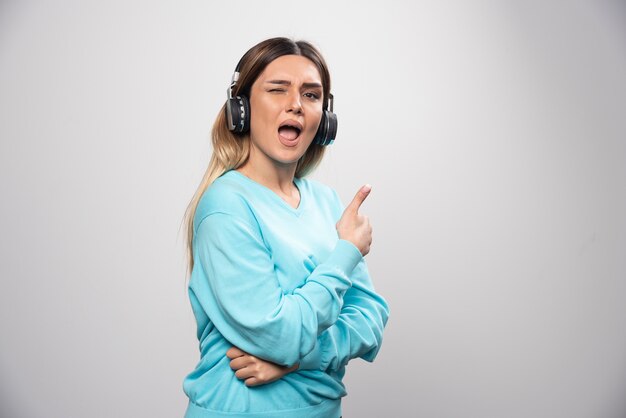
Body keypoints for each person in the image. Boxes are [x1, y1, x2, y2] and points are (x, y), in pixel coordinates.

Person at [181, 37, 389, 418]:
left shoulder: (327, 202)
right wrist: (346, 252)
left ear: (324, 122)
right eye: (278, 90)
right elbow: (280, 335)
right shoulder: (226, 207)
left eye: (311, 96)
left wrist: (299, 360)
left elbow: (371, 318)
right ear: (241, 109)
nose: (295, 103)